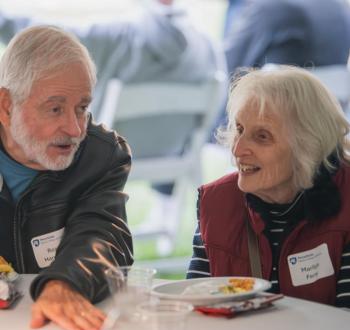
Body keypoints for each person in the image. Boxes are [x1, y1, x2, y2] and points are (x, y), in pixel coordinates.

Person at [0, 0, 224, 240]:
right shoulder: (208, 47)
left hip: (99, 155)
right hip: (176, 155)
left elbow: (41, 40)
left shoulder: (116, 36)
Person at [0, 25, 133, 330]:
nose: (75, 129)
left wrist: (65, 282)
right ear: (6, 107)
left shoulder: (101, 156)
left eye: (82, 108)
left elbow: (103, 234)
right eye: (55, 108)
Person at [187, 65, 350, 308]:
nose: (237, 149)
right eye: (239, 130)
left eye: (262, 136)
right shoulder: (217, 203)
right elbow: (196, 308)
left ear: (308, 145)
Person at [212, 0, 350, 134]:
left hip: (272, 127)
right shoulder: (340, 7)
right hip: (325, 129)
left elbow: (225, 67)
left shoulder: (270, 8)